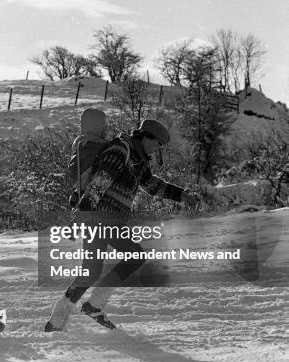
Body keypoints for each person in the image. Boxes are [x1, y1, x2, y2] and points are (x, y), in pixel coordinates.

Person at [45, 118, 198, 331]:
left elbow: (152, 186)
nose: (157, 149)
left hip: (110, 222)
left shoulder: (139, 161)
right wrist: (81, 215)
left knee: (93, 270)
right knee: (129, 257)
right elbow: (98, 184)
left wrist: (181, 195)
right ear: (145, 137)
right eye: (157, 143)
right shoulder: (120, 151)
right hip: (99, 219)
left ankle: (63, 318)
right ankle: (85, 308)